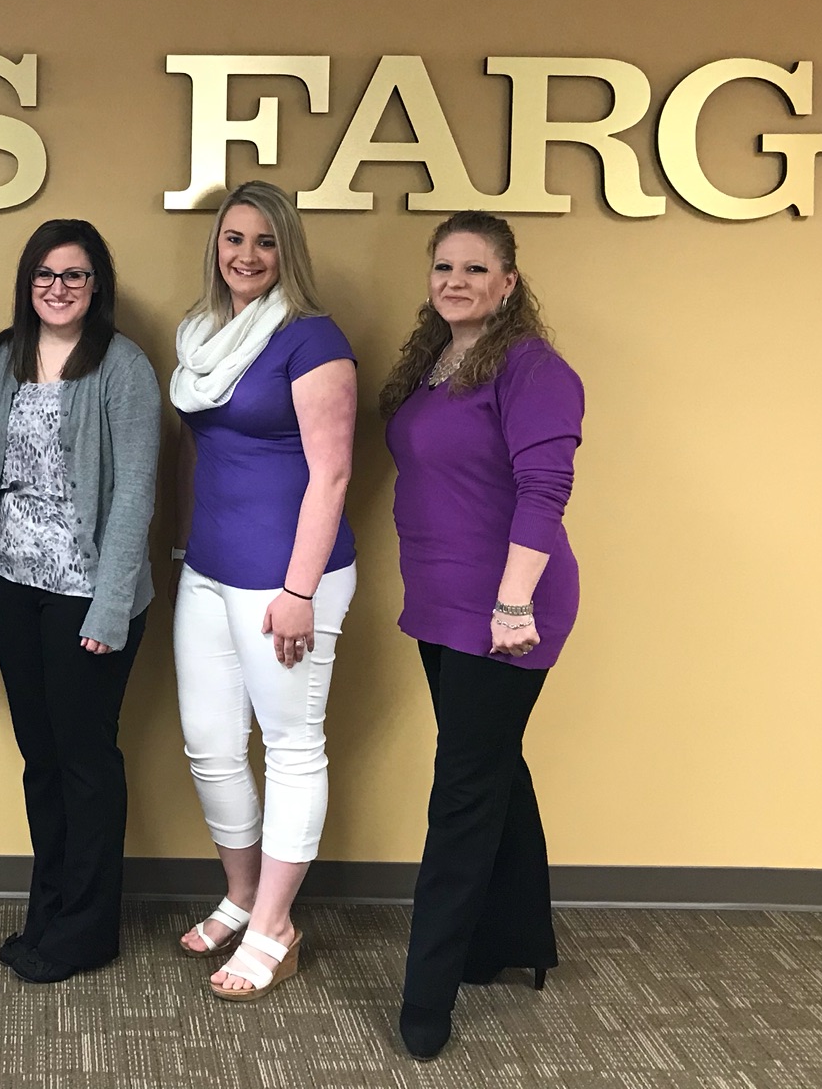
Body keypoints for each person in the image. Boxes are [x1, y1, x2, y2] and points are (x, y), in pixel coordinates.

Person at [381, 211, 584, 1062]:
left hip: (507, 611)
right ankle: (515, 937)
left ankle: (428, 995)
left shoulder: (534, 369)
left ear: (508, 282)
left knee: (463, 791)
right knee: (494, 764)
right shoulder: (434, 363)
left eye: (475, 268)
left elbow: (544, 491)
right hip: (440, 600)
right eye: (444, 267)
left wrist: (510, 606)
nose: (456, 281)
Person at [0, 220, 160, 984]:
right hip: (15, 588)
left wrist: (110, 608)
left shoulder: (123, 366)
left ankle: (87, 930)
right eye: (45, 274)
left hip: (87, 597)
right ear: (27, 282)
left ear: (97, 284)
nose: (59, 288)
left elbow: (136, 493)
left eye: (75, 274)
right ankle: (48, 912)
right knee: (41, 762)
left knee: (85, 763)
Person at [170, 181, 357, 1001]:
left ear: (289, 251)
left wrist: (300, 590)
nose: (246, 255)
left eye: (265, 241)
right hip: (208, 570)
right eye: (233, 238)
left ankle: (276, 925)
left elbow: (333, 474)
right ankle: (243, 895)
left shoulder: (312, 340)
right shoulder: (204, 335)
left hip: (288, 580)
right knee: (211, 745)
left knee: (290, 746)